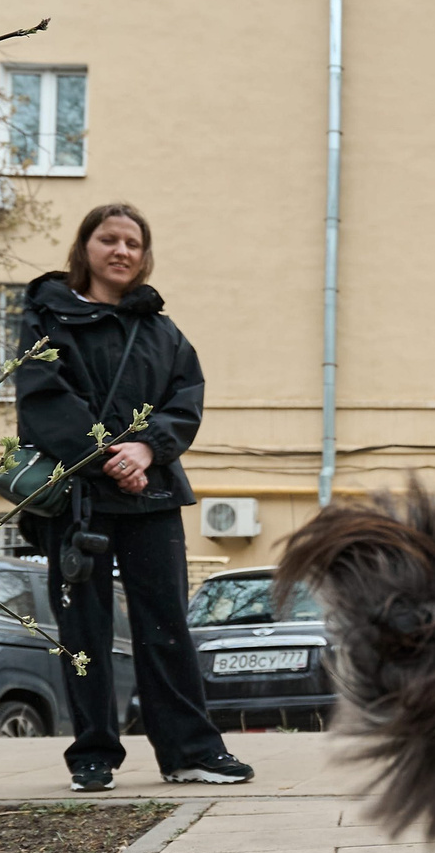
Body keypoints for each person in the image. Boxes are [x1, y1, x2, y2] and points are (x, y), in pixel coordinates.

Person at [15, 203, 255, 794]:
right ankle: (93, 755)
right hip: (78, 498)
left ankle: (191, 751)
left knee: (166, 623)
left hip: (152, 493)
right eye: (109, 239)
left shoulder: (162, 331)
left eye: (133, 243)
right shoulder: (49, 317)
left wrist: (146, 451)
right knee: (85, 630)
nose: (121, 251)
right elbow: (43, 396)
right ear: (86, 247)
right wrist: (105, 457)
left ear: (144, 256)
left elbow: (186, 398)